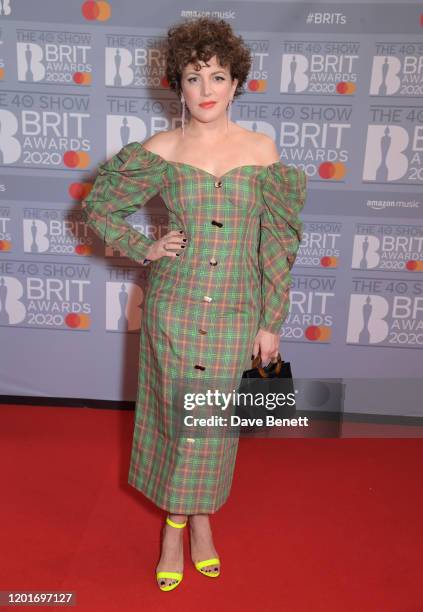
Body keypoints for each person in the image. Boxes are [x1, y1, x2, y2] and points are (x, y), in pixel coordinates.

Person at [81, 16, 307, 592]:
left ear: (237, 84)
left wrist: (270, 321)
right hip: (174, 312)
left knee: (211, 427)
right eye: (193, 77)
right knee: (176, 423)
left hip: (237, 314)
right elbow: (100, 207)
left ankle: (193, 522)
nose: (206, 90)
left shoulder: (261, 150)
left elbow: (278, 241)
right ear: (176, 85)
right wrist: (145, 246)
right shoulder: (162, 149)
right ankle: (177, 530)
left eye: (218, 76)